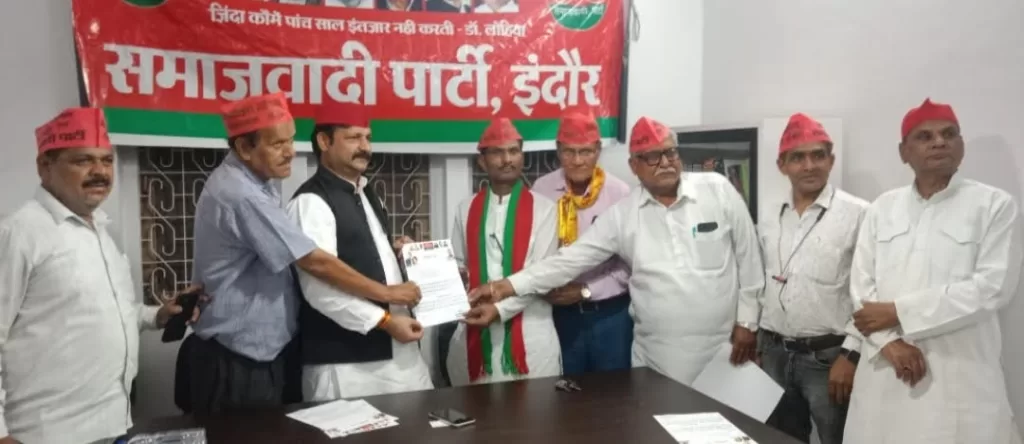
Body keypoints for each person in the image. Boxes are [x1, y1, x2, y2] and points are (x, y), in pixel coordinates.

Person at [466, 116, 764, 385]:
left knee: (727, 423)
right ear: (634, 166)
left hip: (724, 347)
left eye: (670, 152)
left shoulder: (717, 189)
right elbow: (570, 260)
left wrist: (748, 323)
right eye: (652, 157)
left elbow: (749, 256)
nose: (665, 162)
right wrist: (505, 286)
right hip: (658, 355)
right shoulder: (624, 214)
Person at [189, 93, 421, 415]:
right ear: (244, 148)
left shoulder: (262, 183)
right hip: (240, 358)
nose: (291, 152)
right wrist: (386, 299)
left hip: (263, 353)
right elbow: (315, 264)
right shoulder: (248, 195)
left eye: (290, 140)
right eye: (277, 144)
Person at [0, 108, 196, 444]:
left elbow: (107, 313)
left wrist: (156, 316)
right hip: (45, 434)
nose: (100, 172)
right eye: (83, 161)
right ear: (45, 166)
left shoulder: (100, 230)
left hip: (111, 424)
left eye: (106, 161)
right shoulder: (20, 233)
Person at [844, 99, 1023, 444]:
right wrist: (889, 343)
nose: (939, 142)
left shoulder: (994, 206)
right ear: (904, 152)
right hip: (886, 374)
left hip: (960, 379)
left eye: (949, 134)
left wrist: (900, 312)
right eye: (925, 136)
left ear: (961, 145)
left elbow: (993, 287)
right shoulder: (882, 208)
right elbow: (861, 289)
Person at [287, 103, 433, 401]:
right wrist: (385, 321)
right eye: (354, 138)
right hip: (347, 365)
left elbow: (364, 256)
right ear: (324, 141)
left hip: (401, 355)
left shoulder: (366, 192)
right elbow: (319, 290)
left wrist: (399, 255)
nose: (365, 147)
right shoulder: (310, 202)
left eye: (368, 138)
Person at [756, 113, 868, 444]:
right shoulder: (769, 213)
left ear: (831, 160)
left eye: (818, 155)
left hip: (829, 358)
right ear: (782, 165)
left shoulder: (859, 214)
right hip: (774, 353)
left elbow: (870, 291)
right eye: (798, 157)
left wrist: (851, 355)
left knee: (838, 439)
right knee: (780, 438)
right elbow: (761, 281)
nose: (809, 165)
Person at [447, 118, 561, 386]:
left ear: (522, 157)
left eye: (513, 151)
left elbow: (541, 276)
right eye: (497, 152)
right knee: (476, 410)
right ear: (482, 161)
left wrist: (499, 309)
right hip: (475, 332)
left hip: (531, 336)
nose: (507, 159)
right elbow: (459, 265)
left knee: (533, 411)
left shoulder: (545, 209)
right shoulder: (466, 208)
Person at [531, 108, 632, 375]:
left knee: (612, 392)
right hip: (557, 315)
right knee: (563, 391)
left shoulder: (619, 193)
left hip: (610, 316)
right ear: (558, 150)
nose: (577, 161)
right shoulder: (541, 190)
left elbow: (630, 264)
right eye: (569, 152)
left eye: (585, 152)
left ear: (598, 150)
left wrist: (587, 290)